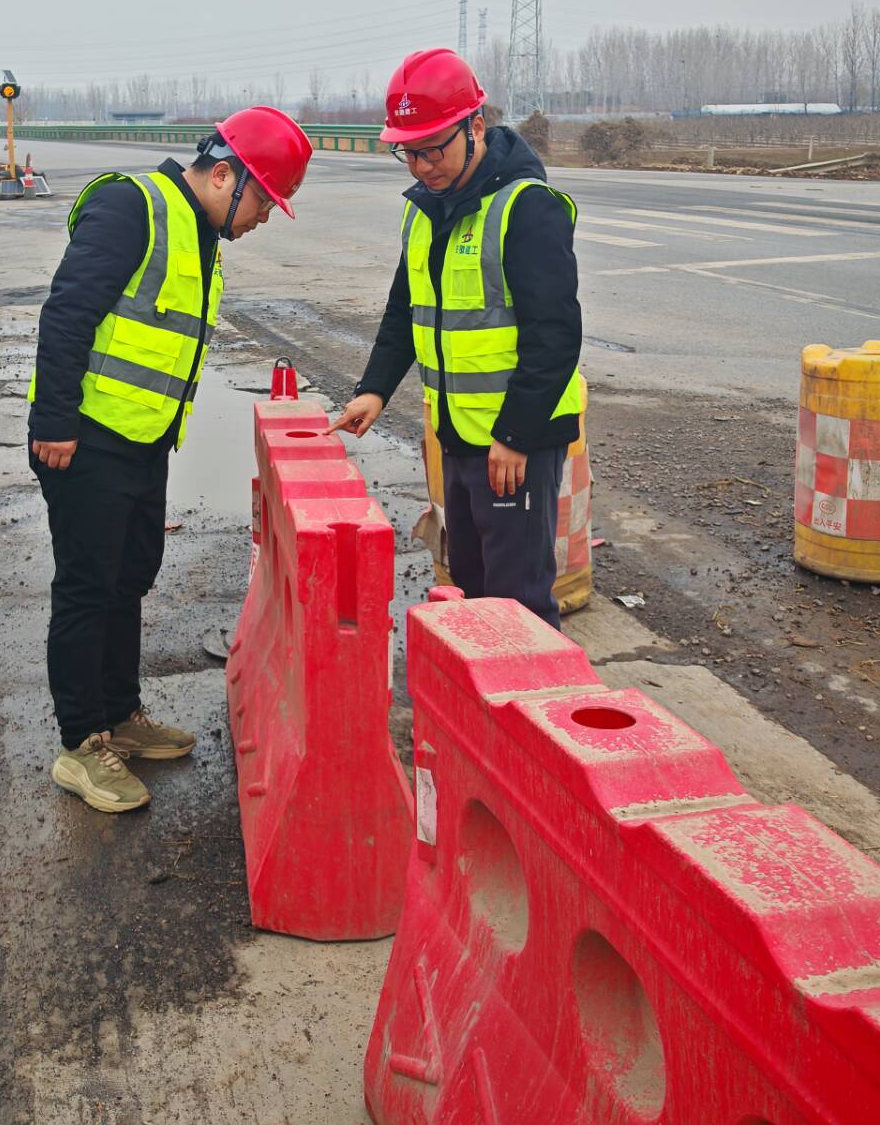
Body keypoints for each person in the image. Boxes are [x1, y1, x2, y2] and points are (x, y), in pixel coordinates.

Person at [28, 107, 312, 812]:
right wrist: (55, 420)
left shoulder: (200, 232)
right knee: (88, 588)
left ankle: (120, 715)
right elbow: (67, 314)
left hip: (143, 439)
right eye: (263, 202)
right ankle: (80, 744)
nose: (264, 219)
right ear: (224, 176)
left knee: (130, 577)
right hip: (86, 437)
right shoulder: (133, 207)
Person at [330, 49, 583, 628]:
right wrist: (374, 389)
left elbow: (555, 334)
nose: (421, 166)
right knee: (469, 586)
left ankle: (529, 687)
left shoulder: (525, 208)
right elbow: (405, 310)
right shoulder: (425, 212)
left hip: (516, 444)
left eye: (432, 149)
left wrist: (516, 435)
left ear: (475, 127)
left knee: (518, 604)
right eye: (407, 152)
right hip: (458, 435)